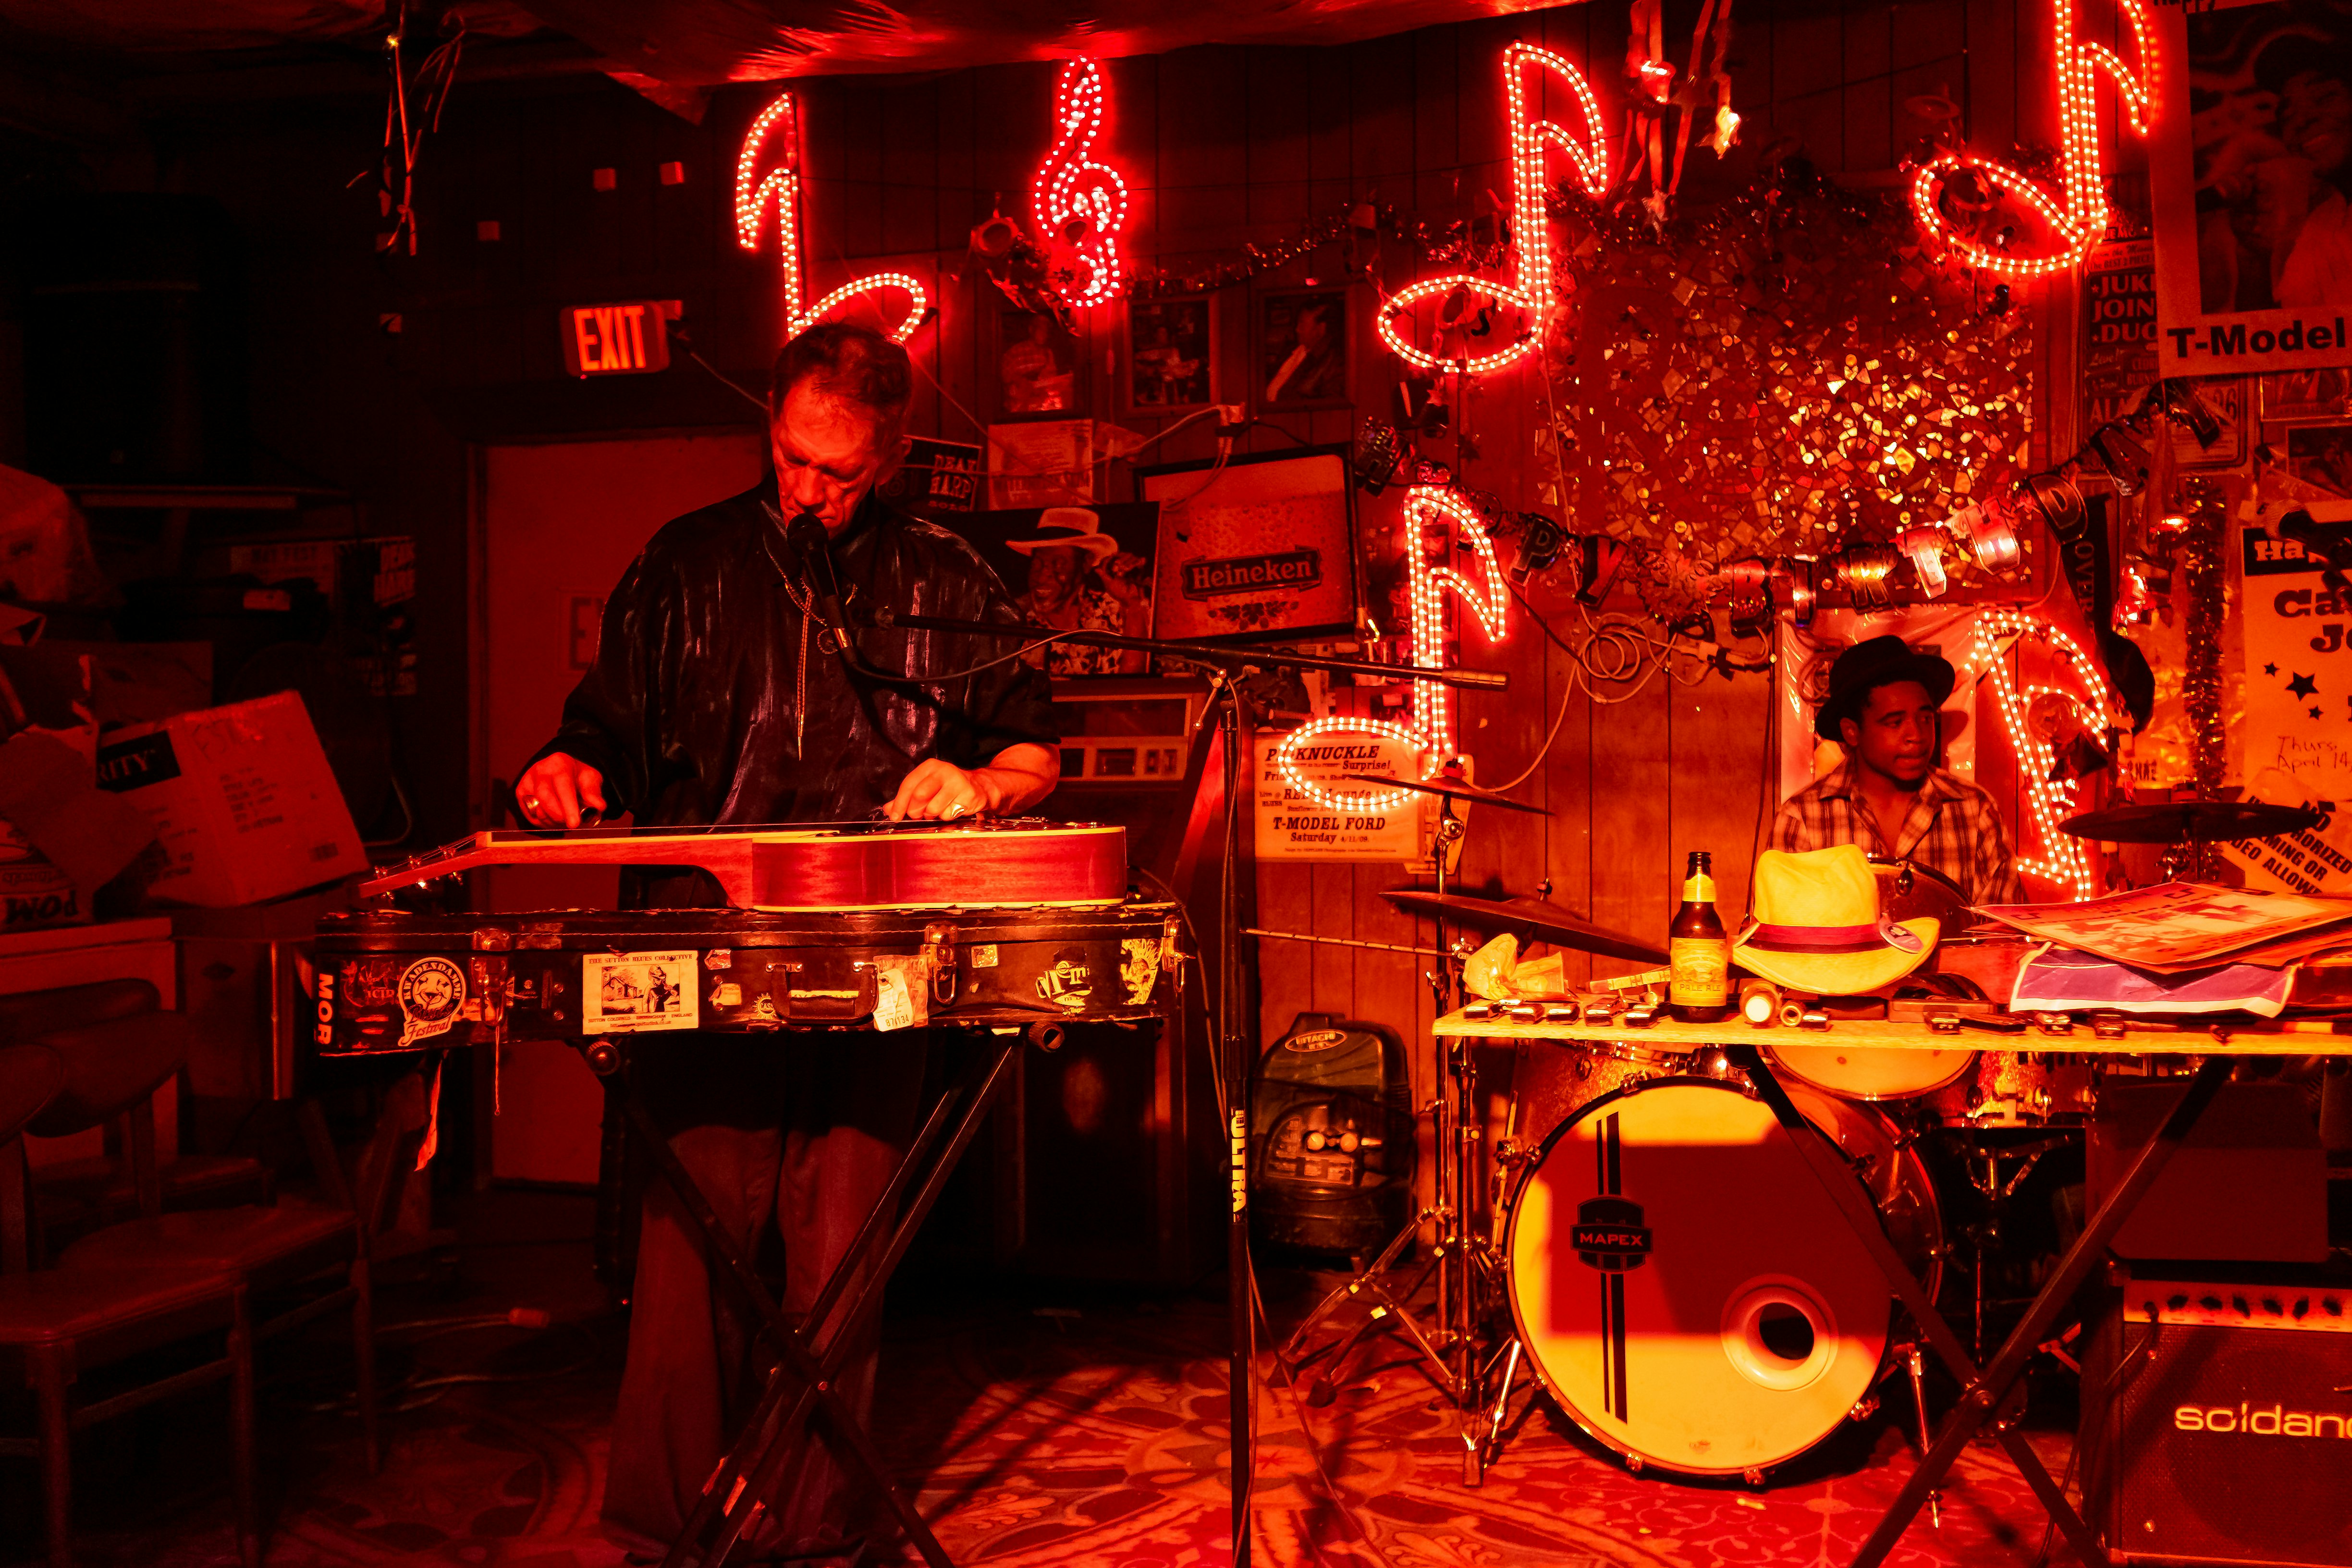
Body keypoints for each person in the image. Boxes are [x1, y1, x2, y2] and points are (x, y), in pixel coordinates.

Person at [514, 320, 1060, 1565]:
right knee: (688, 1245)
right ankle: (662, 1523)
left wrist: (977, 788)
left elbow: (1035, 750)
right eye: (792, 461)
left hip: (881, 959)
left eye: (842, 474)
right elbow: (600, 735)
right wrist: (562, 769)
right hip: (707, 954)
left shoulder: (954, 578)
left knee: (840, 1258)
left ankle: (816, 1527)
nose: (810, 494)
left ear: (894, 454)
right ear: (771, 424)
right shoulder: (684, 564)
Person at [1769, 633, 2021, 906]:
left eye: (1925, 718)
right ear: (1852, 732)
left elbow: (2004, 937)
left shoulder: (1975, 810)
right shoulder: (1802, 819)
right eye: (1894, 722)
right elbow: (1783, 936)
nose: (1917, 735)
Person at [1006, 508, 1149, 675]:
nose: (1042, 575)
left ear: (1086, 563)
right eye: (1037, 564)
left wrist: (1132, 604)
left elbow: (1132, 686)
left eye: (1058, 564)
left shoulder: (1112, 614)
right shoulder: (1014, 620)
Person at [1264, 297, 1342, 404]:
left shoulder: (1332, 362)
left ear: (1320, 329)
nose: (1297, 329)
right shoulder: (1291, 350)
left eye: (1302, 325)